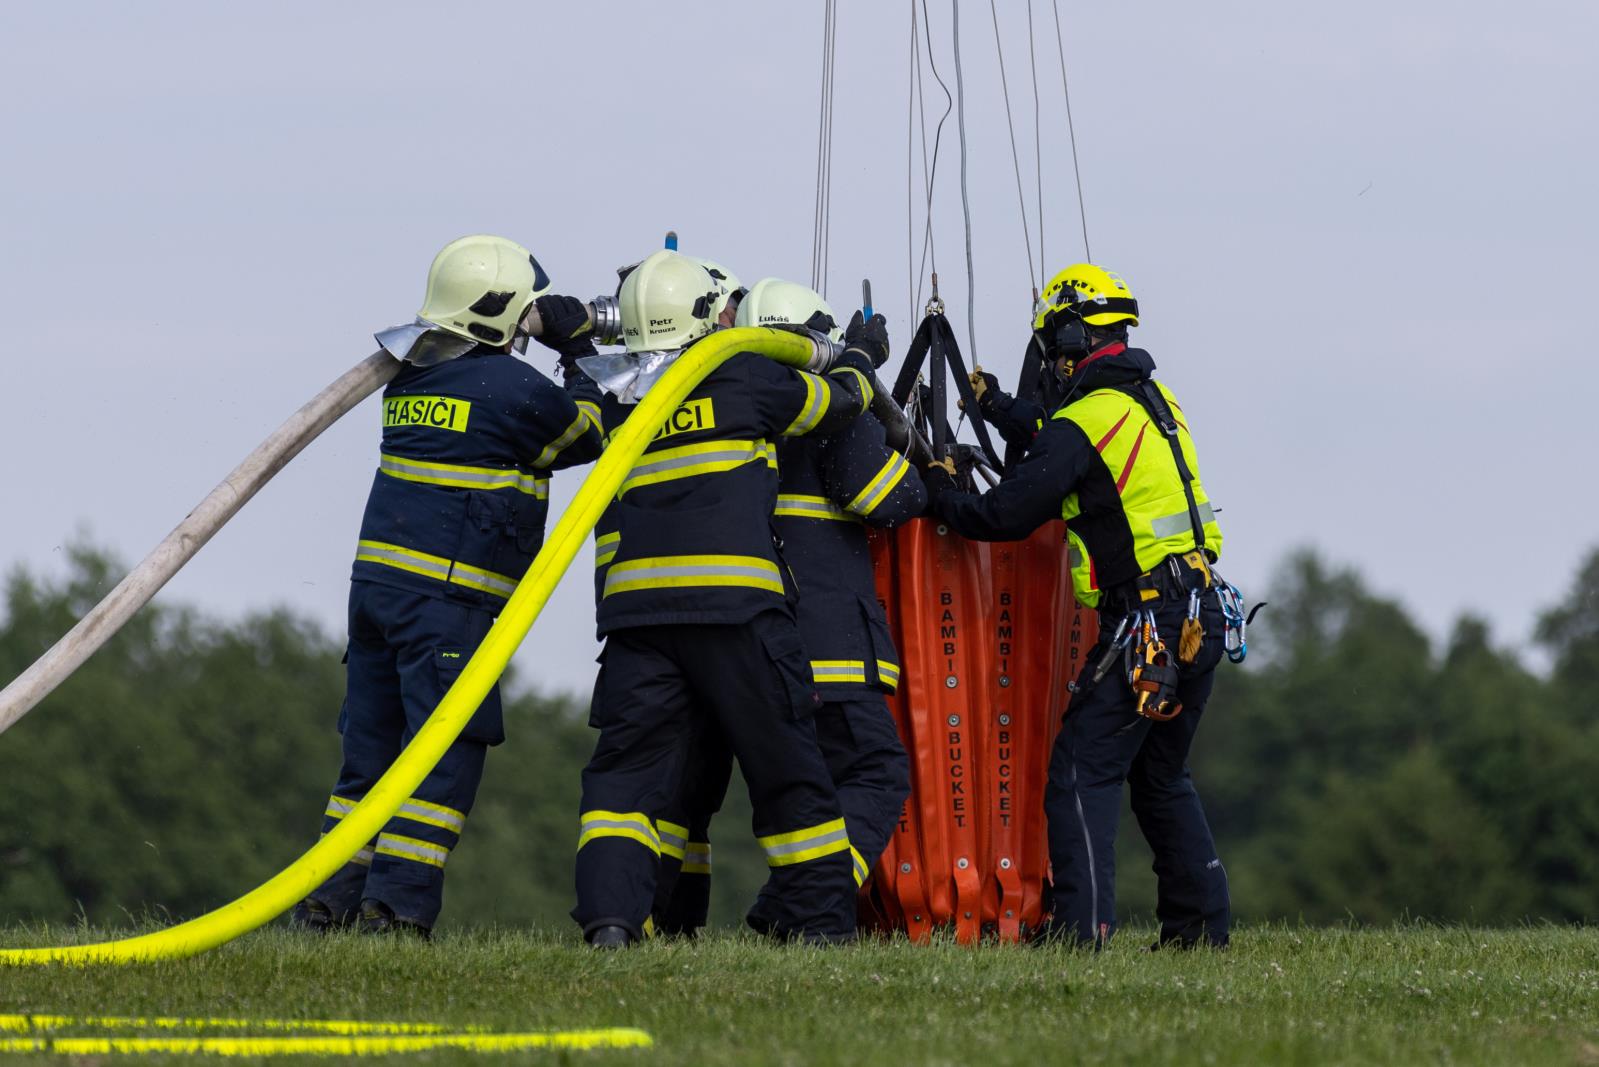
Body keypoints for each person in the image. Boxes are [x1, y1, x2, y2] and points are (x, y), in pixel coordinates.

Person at [291, 235, 603, 937]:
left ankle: (327, 901)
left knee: (369, 755)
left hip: (377, 595)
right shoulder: (512, 389)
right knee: (440, 760)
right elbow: (589, 433)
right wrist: (576, 346)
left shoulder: (409, 378)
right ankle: (395, 912)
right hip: (446, 608)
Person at [566, 250, 878, 948]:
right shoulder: (741, 374)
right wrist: (858, 354)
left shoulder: (617, 396)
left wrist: (572, 336)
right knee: (788, 770)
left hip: (637, 619)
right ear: (706, 317)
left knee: (625, 780)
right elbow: (842, 403)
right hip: (737, 611)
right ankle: (820, 925)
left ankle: (611, 923)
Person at [922, 263, 1231, 949]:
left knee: (1078, 769)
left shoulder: (1085, 419)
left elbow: (1005, 511)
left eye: (1053, 356)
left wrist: (941, 491)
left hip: (1145, 620)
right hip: (1200, 613)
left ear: (1068, 344)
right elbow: (1062, 443)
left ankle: (1079, 931)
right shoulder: (1153, 403)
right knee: (1160, 774)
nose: (1051, 369)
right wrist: (1001, 407)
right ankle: (1200, 930)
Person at [652, 280, 922, 934]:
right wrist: (917, 464)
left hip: (728, 638)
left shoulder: (728, 403)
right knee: (874, 772)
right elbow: (886, 497)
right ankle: (798, 909)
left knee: (692, 797)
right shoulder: (827, 411)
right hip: (823, 640)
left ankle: (662, 921)